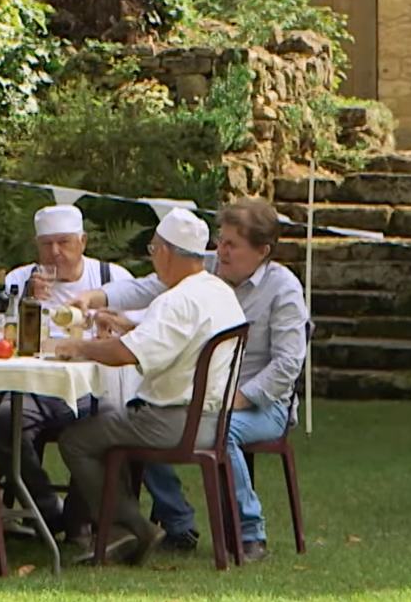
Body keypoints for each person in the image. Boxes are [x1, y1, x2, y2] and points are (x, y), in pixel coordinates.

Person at [75, 200, 306, 560]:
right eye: (220, 241)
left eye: (232, 245)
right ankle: (178, 522)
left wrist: (237, 398)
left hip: (262, 401)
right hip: (206, 394)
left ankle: (250, 533)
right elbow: (155, 288)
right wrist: (99, 296)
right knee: (148, 408)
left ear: (262, 251)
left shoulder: (284, 289)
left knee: (215, 427)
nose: (221, 252)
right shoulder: (209, 270)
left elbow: (288, 365)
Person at [54, 208, 247, 565]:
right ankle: (121, 529)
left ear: (166, 253)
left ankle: (130, 528)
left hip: (174, 422)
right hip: (213, 420)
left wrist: (77, 347)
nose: (152, 256)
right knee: (106, 426)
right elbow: (169, 341)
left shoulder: (178, 299)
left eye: (153, 248)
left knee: (76, 439)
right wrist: (127, 327)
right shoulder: (217, 291)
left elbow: (125, 355)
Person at [0, 204, 135, 538]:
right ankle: (46, 509)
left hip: (91, 391)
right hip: (33, 391)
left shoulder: (112, 279)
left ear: (83, 241)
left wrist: (111, 328)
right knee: (1, 420)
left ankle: (79, 519)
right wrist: (25, 304)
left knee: (109, 424)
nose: (55, 252)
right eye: (46, 244)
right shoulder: (19, 280)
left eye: (64, 242)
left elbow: (141, 331)